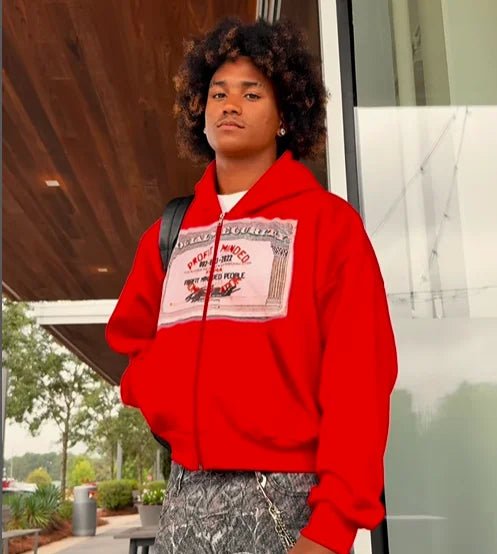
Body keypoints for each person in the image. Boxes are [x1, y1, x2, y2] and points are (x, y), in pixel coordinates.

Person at [106, 16, 398, 554]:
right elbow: (131, 338)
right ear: (200, 111)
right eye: (218, 93)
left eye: (251, 93)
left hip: (287, 502)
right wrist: (161, 392)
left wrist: (332, 528)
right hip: (185, 499)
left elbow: (360, 378)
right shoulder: (168, 233)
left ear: (285, 115)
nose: (230, 105)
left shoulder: (329, 226)